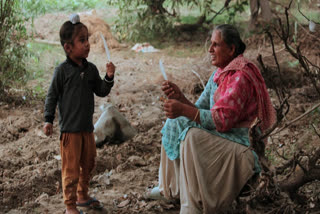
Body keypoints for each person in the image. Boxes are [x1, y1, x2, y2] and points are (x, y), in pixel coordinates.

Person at [148, 24, 276, 213]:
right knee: (176, 121)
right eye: (211, 44)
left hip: (243, 143)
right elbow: (199, 109)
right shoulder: (220, 73)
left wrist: (183, 108)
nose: (210, 49)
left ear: (232, 49)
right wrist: (180, 98)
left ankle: (191, 205)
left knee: (192, 136)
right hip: (226, 133)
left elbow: (222, 120)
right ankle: (172, 189)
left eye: (216, 45)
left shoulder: (239, 76)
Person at [43, 14, 115, 214]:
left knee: (89, 163)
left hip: (86, 129)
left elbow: (101, 90)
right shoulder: (62, 71)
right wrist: (48, 119)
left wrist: (108, 77)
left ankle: (83, 196)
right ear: (68, 47)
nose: (87, 44)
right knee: (71, 170)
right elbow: (51, 96)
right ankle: (70, 206)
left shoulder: (91, 70)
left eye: (87, 39)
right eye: (81, 40)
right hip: (70, 132)